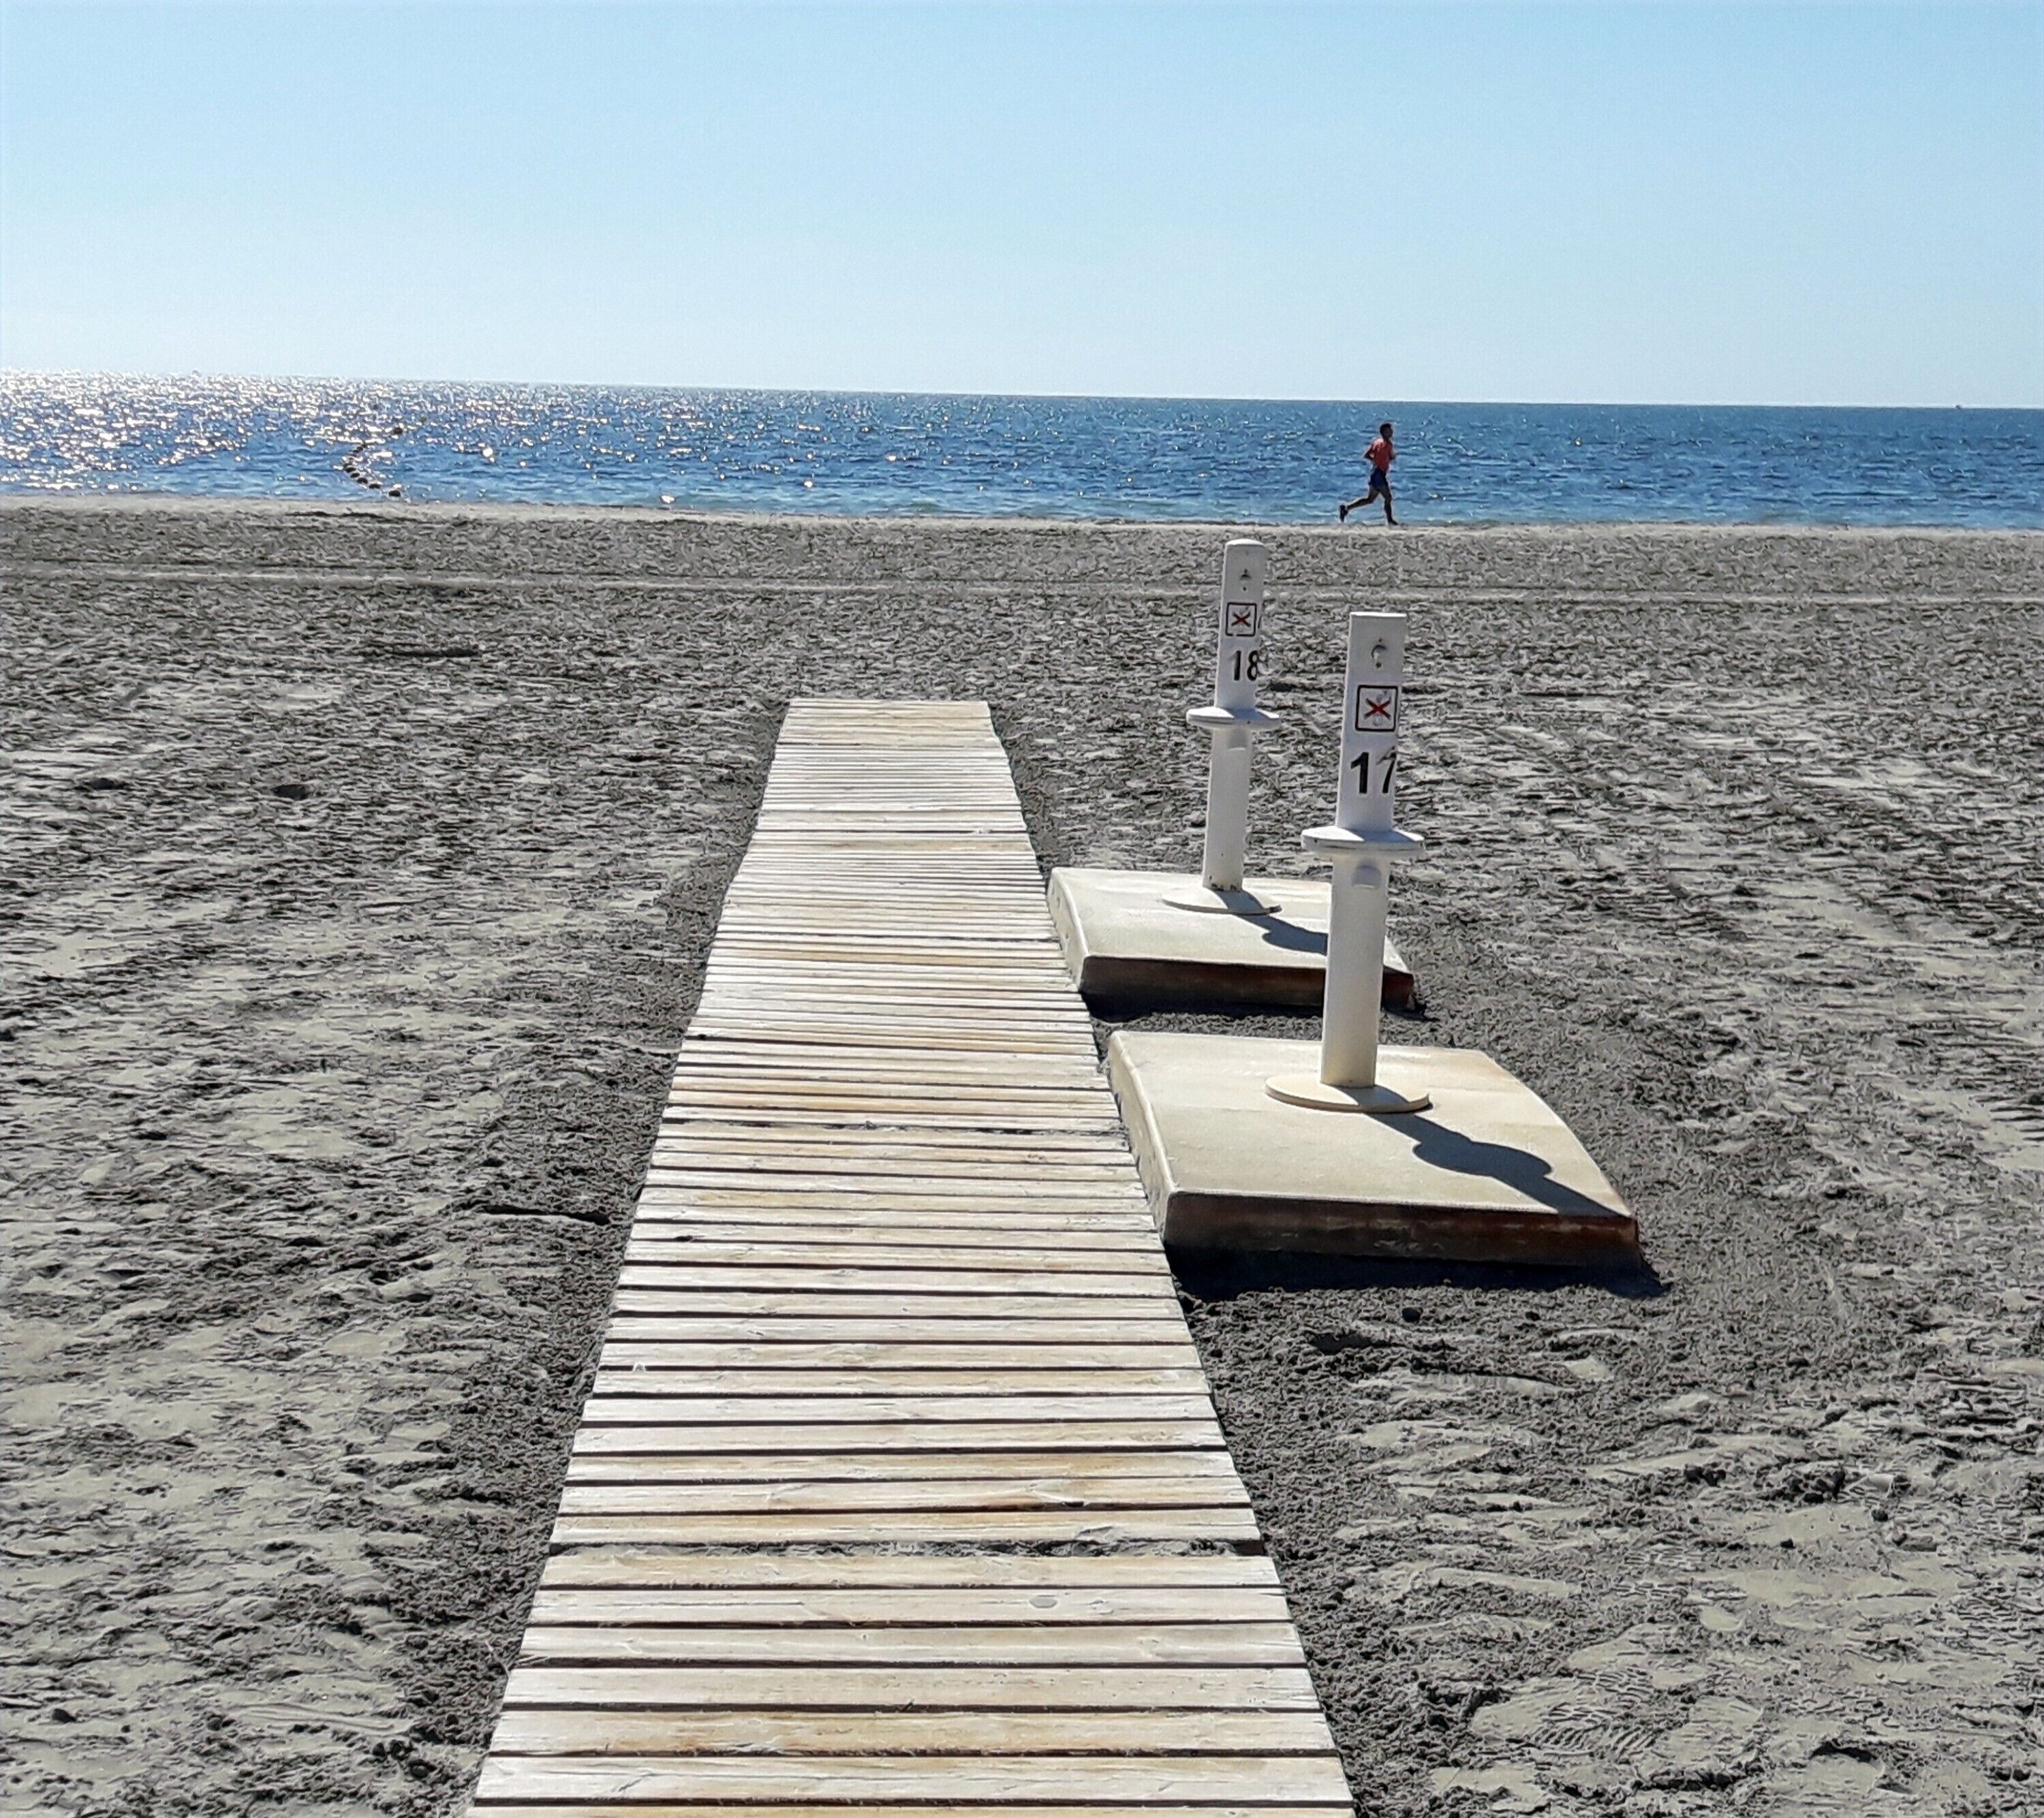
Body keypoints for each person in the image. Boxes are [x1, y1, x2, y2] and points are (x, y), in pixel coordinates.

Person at [1340, 422, 1398, 525]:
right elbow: (1391, 457)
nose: (1392, 432)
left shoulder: (1376, 442)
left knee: (1370, 499)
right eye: (1390, 431)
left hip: (1375, 473)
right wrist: (1384, 460)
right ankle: (1390, 520)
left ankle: (1346, 508)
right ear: (1384, 432)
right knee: (1388, 497)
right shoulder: (1387, 444)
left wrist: (1375, 460)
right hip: (1379, 474)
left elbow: (1367, 455)